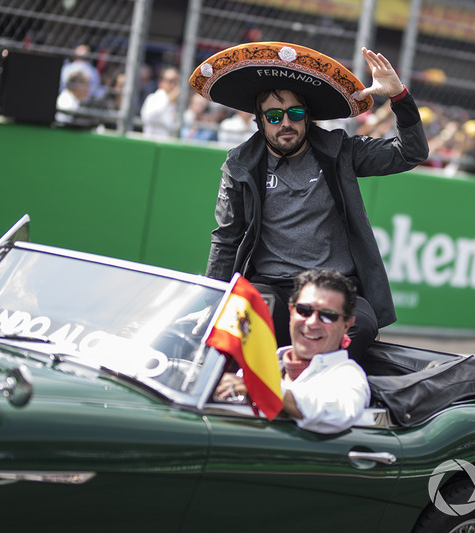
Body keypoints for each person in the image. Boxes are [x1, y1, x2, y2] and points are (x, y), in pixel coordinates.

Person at [188, 42, 429, 361]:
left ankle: (305, 391)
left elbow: (411, 152)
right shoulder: (240, 165)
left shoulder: (341, 151)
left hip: (335, 286)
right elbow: (226, 238)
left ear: (307, 117)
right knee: (238, 318)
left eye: (295, 113)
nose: (285, 123)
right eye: (274, 116)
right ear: (260, 121)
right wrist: (210, 301)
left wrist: (399, 97)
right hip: (271, 286)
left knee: (361, 327)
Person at [216, 269, 370, 434]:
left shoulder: (347, 375)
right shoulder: (266, 363)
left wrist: (265, 389)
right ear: (291, 311)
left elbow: (338, 412)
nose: (312, 323)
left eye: (327, 316)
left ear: (347, 324)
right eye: (304, 310)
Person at [140, 66, 180, 138]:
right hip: (152, 143)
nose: (174, 85)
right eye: (171, 81)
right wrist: (168, 99)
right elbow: (148, 117)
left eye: (177, 81)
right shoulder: (153, 98)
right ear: (161, 82)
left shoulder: (178, 103)